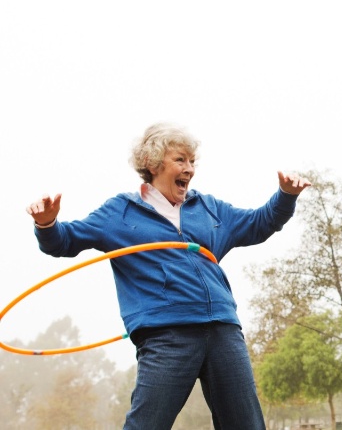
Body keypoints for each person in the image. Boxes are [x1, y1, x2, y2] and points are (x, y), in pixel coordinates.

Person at [26, 122, 311, 430]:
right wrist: (46, 224)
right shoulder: (119, 213)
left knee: (247, 425)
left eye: (192, 161)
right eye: (180, 160)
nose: (189, 168)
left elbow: (259, 223)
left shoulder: (208, 208)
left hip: (223, 330)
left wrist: (285, 196)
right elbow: (64, 241)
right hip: (166, 334)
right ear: (152, 163)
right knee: (146, 425)